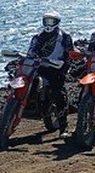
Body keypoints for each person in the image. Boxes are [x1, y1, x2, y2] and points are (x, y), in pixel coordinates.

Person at [28, 10, 75, 138]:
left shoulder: (65, 36)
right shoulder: (38, 36)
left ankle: (64, 127)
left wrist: (63, 66)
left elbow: (69, 54)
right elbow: (31, 51)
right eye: (47, 20)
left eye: (52, 21)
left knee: (59, 94)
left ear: (57, 22)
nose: (49, 23)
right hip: (39, 67)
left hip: (56, 68)